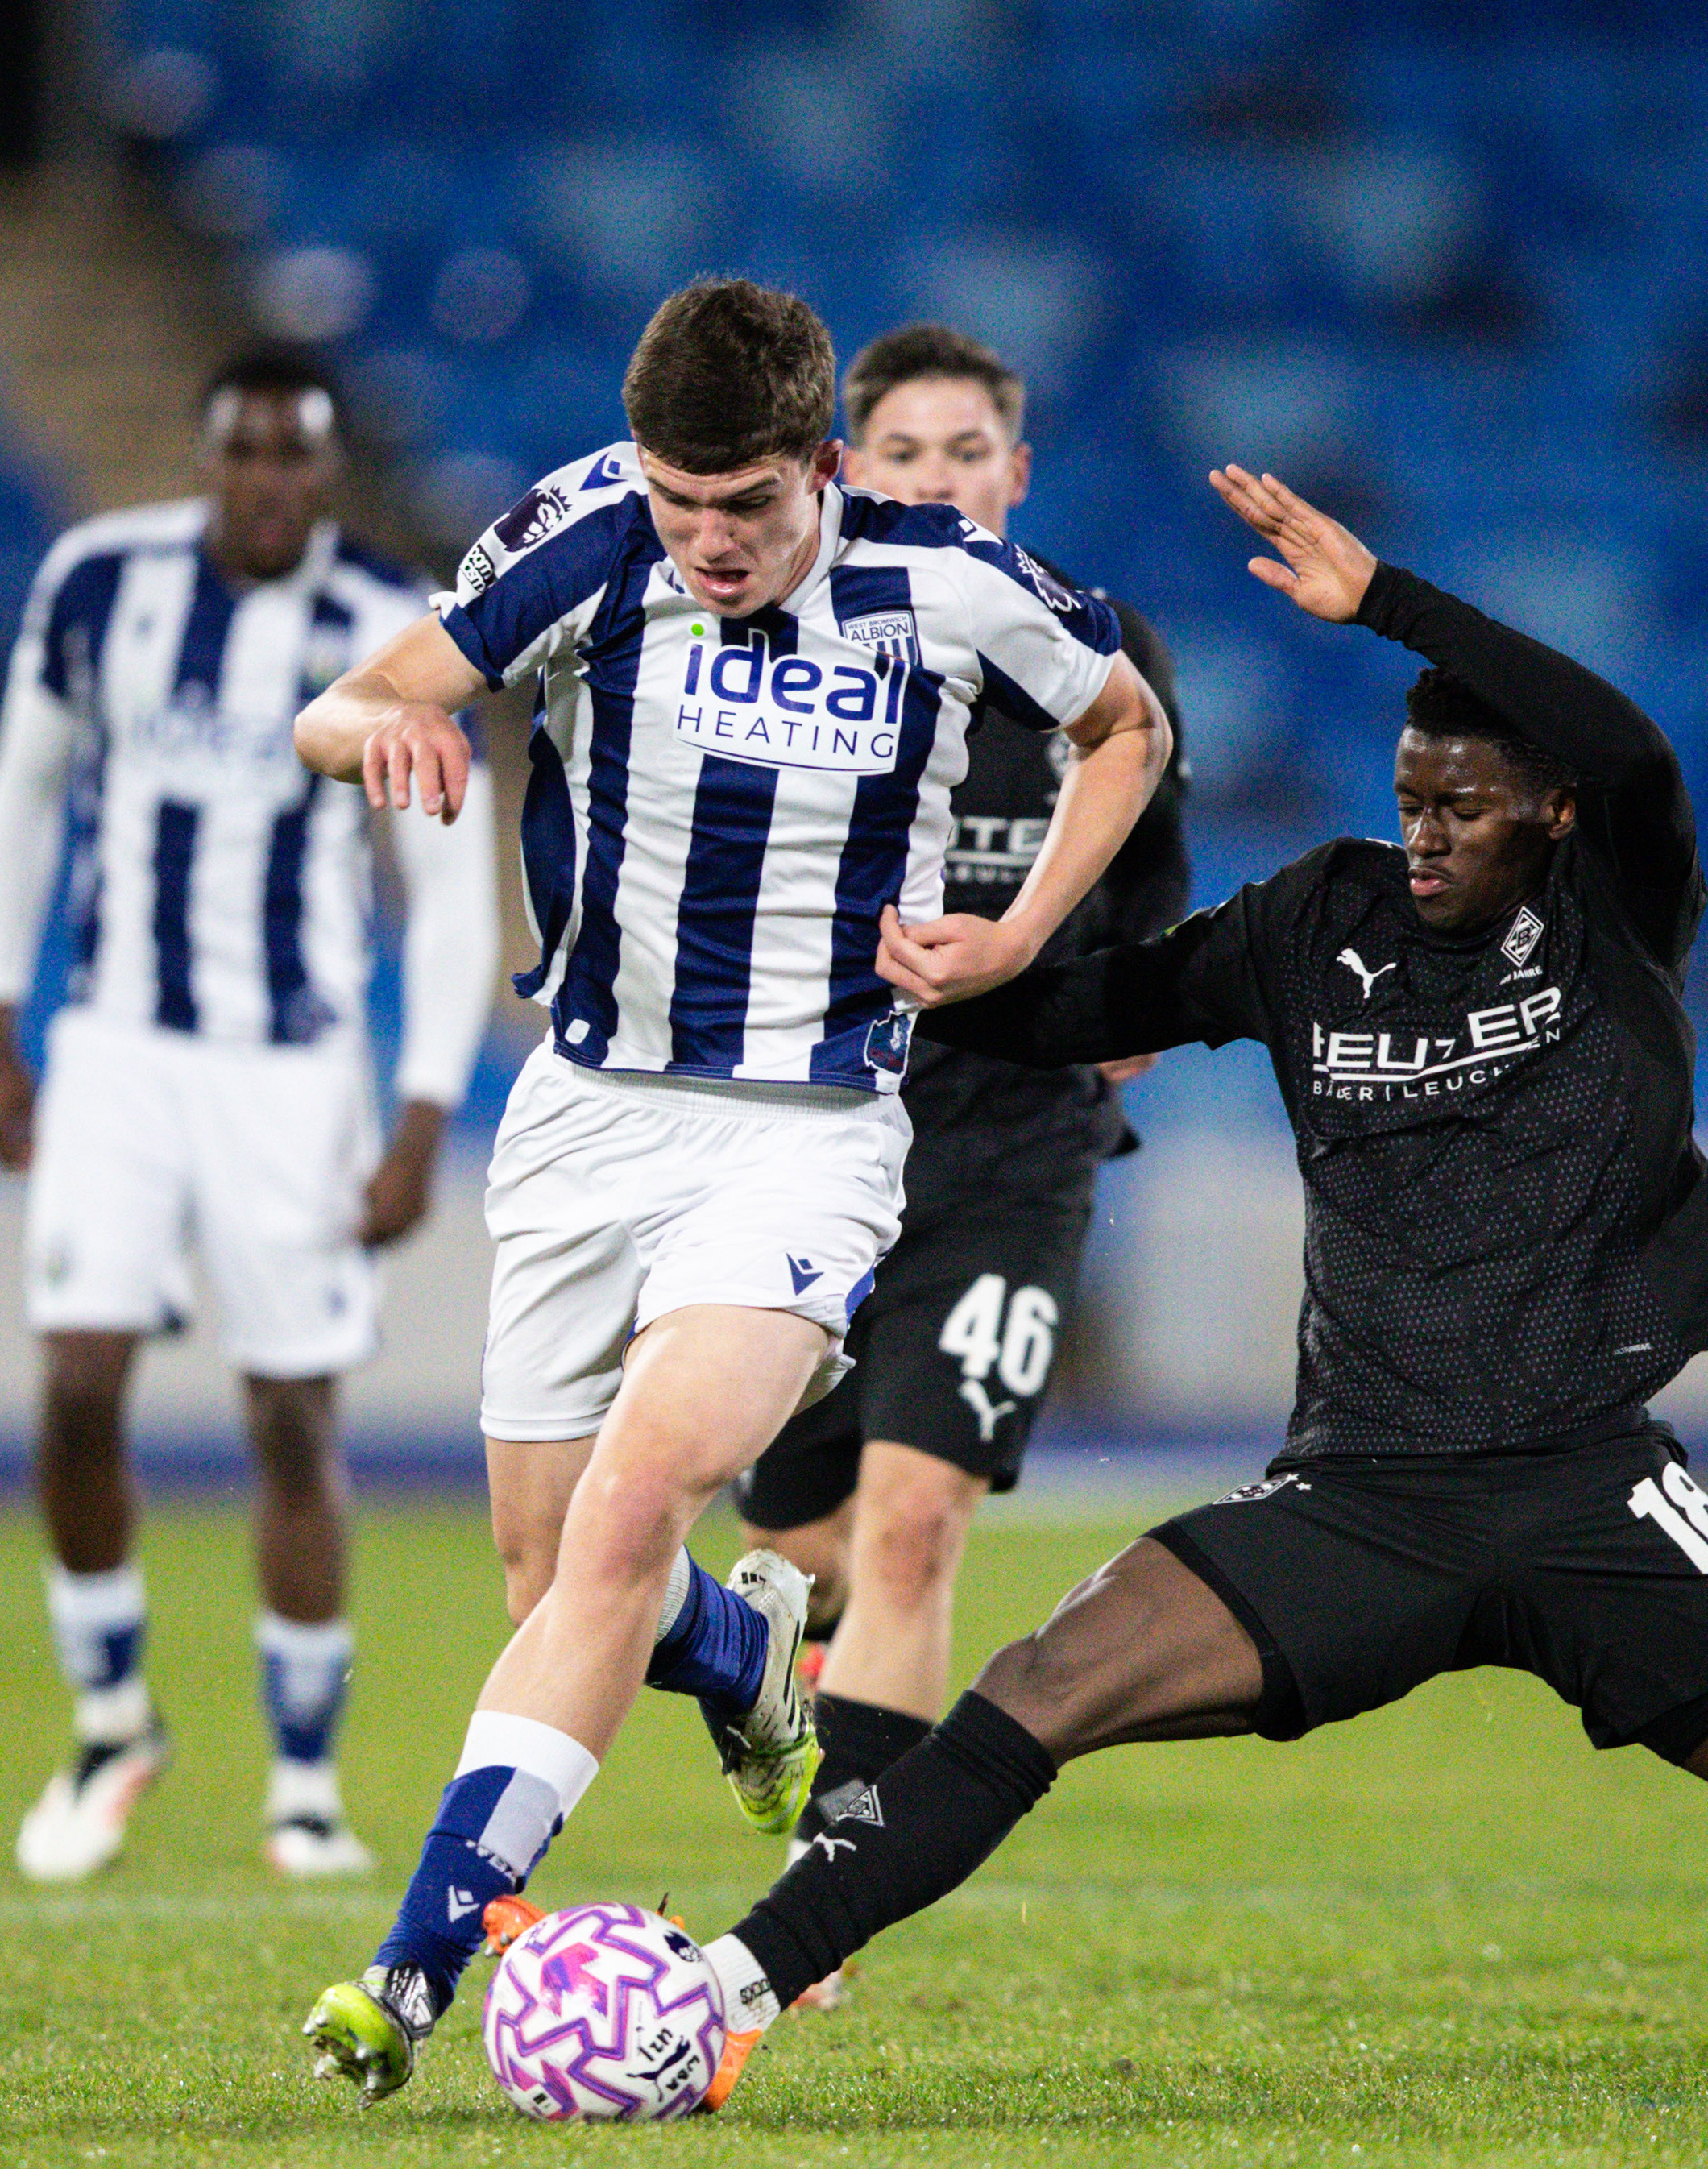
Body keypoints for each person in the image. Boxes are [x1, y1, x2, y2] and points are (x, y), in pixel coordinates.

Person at [674, 471, 1708, 2097]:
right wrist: (912, 977)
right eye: (1409, 794)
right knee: (1038, 1686)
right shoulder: (1314, 919)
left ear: (1547, 809)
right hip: (1358, 1494)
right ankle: (725, 1987)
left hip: (1587, 1482)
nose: (1421, 830)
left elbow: (1633, 748)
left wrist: (1391, 605)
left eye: (1461, 805)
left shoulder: (1616, 920)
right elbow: (1083, 1009)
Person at [288, 278, 1172, 2102]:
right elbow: (344, 700)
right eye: (682, 507)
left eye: (747, 511)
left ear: (824, 470)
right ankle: (752, 1652)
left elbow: (1130, 727)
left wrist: (1015, 930)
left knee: (628, 1506)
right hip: (584, 1115)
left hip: (806, 1133)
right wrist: (384, 731)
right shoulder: (585, 529)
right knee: (550, 1569)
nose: (707, 545)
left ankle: (411, 1965)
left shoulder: (939, 577)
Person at [0, 346, 499, 1886]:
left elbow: (448, 887)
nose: (269, 481)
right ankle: (113, 1718)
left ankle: (306, 1784)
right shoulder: (95, 582)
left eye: (297, 459)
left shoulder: (379, 627)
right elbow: (22, 794)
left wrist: (418, 1120)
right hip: (118, 1044)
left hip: (293, 1071)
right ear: (206, 458)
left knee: (290, 1412)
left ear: (326, 476)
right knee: (75, 1382)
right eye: (244, 452)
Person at [732, 327, 1188, 1970]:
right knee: (797, 1549)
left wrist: (1124, 994)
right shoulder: (802, 643)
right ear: (850, 471)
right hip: (816, 1146)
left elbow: (1151, 882)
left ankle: (821, 1901)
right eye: (903, 454)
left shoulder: (1099, 656)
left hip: (1014, 1156)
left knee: (916, 1521)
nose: (937, 478)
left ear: (1016, 472)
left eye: (965, 451)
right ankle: (762, 1658)